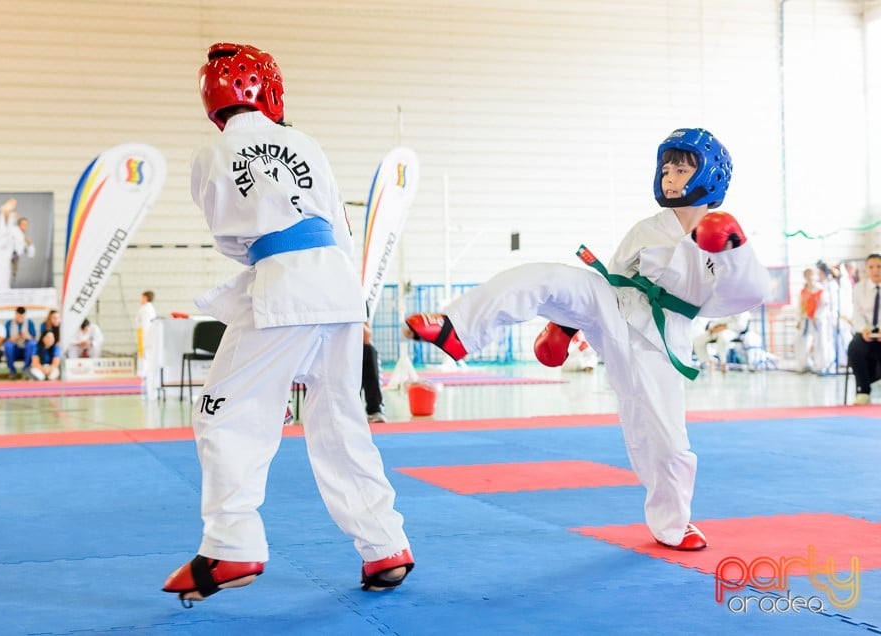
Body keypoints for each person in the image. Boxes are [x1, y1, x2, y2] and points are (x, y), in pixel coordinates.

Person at [405, 128, 769, 551]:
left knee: (667, 445)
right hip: (614, 310)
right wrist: (565, 325)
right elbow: (613, 276)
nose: (670, 177)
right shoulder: (646, 228)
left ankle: (674, 523)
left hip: (660, 343)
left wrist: (732, 247)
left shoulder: (723, 239)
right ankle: (457, 328)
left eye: (682, 169)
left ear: (710, 176)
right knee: (547, 277)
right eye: (666, 168)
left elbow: (748, 294)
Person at [163, 43, 412, 604]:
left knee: (221, 413)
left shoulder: (212, 150)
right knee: (341, 422)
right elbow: (338, 224)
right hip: (339, 284)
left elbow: (229, 235)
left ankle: (230, 544)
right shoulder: (305, 142)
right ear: (270, 90)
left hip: (280, 283)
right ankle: (385, 547)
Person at [847, 253, 881, 404]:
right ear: (866, 269)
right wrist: (864, 330)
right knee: (854, 347)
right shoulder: (859, 288)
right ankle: (863, 391)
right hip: (866, 333)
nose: (875, 270)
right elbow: (857, 314)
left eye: (879, 267)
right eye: (871, 267)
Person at [0, 198, 20, 290]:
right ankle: (2, 292)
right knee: (1, 276)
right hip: (0, 252)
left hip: (6, 254)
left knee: (5, 277)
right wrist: (9, 207)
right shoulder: (3, 228)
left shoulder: (12, 230)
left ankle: (5, 292)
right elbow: (4, 210)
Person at [362, 323, 386, 422]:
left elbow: (366, 337)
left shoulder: (360, 307)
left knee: (369, 351)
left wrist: (356, 323)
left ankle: (375, 409)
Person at [4, 306, 37, 378]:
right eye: (19, 316)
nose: (20, 318)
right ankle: (12, 370)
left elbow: (34, 339)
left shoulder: (30, 323)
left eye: (22, 316)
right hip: (14, 349)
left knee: (32, 344)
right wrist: (16, 338)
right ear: (15, 315)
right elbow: (5, 339)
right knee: (8, 345)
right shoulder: (9, 323)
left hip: (26, 349)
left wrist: (27, 336)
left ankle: (26, 369)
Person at [135, 290, 156, 377]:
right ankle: (142, 372)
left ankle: (143, 373)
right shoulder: (145, 307)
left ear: (146, 298)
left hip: (145, 333)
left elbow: (146, 323)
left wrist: (144, 337)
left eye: (142, 297)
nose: (140, 299)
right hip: (142, 332)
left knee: (145, 354)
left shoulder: (147, 308)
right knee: (143, 353)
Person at [10, 216, 35, 285]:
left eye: (26, 225)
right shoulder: (13, 231)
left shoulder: (24, 238)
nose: (25, 226)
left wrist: (30, 244)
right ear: (18, 225)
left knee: (12, 277)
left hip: (15, 259)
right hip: (6, 259)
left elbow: (31, 255)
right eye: (23, 224)